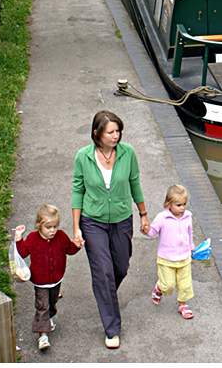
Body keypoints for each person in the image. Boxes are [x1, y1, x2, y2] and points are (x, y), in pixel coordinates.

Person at [72, 110, 149, 349]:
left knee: (121, 267)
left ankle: (104, 292)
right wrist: (76, 229)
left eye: (118, 131)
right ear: (97, 134)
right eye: (111, 132)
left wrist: (143, 214)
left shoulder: (128, 153)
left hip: (122, 218)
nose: (116, 136)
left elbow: (134, 182)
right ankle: (112, 328)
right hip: (92, 221)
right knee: (103, 271)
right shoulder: (83, 157)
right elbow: (77, 191)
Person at [15, 204, 82, 351]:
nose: (52, 231)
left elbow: (69, 250)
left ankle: (48, 318)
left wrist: (77, 245)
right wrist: (19, 238)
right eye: (48, 227)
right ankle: (43, 335)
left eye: (54, 227)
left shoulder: (61, 237)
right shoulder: (33, 238)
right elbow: (23, 252)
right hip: (40, 281)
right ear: (39, 226)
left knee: (52, 303)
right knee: (42, 305)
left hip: (56, 279)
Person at [145, 184, 195, 319]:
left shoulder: (187, 217)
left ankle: (182, 305)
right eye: (179, 205)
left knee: (184, 284)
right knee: (168, 285)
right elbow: (153, 231)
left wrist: (191, 246)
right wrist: (147, 229)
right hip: (166, 258)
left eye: (184, 204)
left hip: (184, 257)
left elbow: (189, 233)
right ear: (168, 204)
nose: (182, 208)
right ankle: (160, 288)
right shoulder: (162, 218)